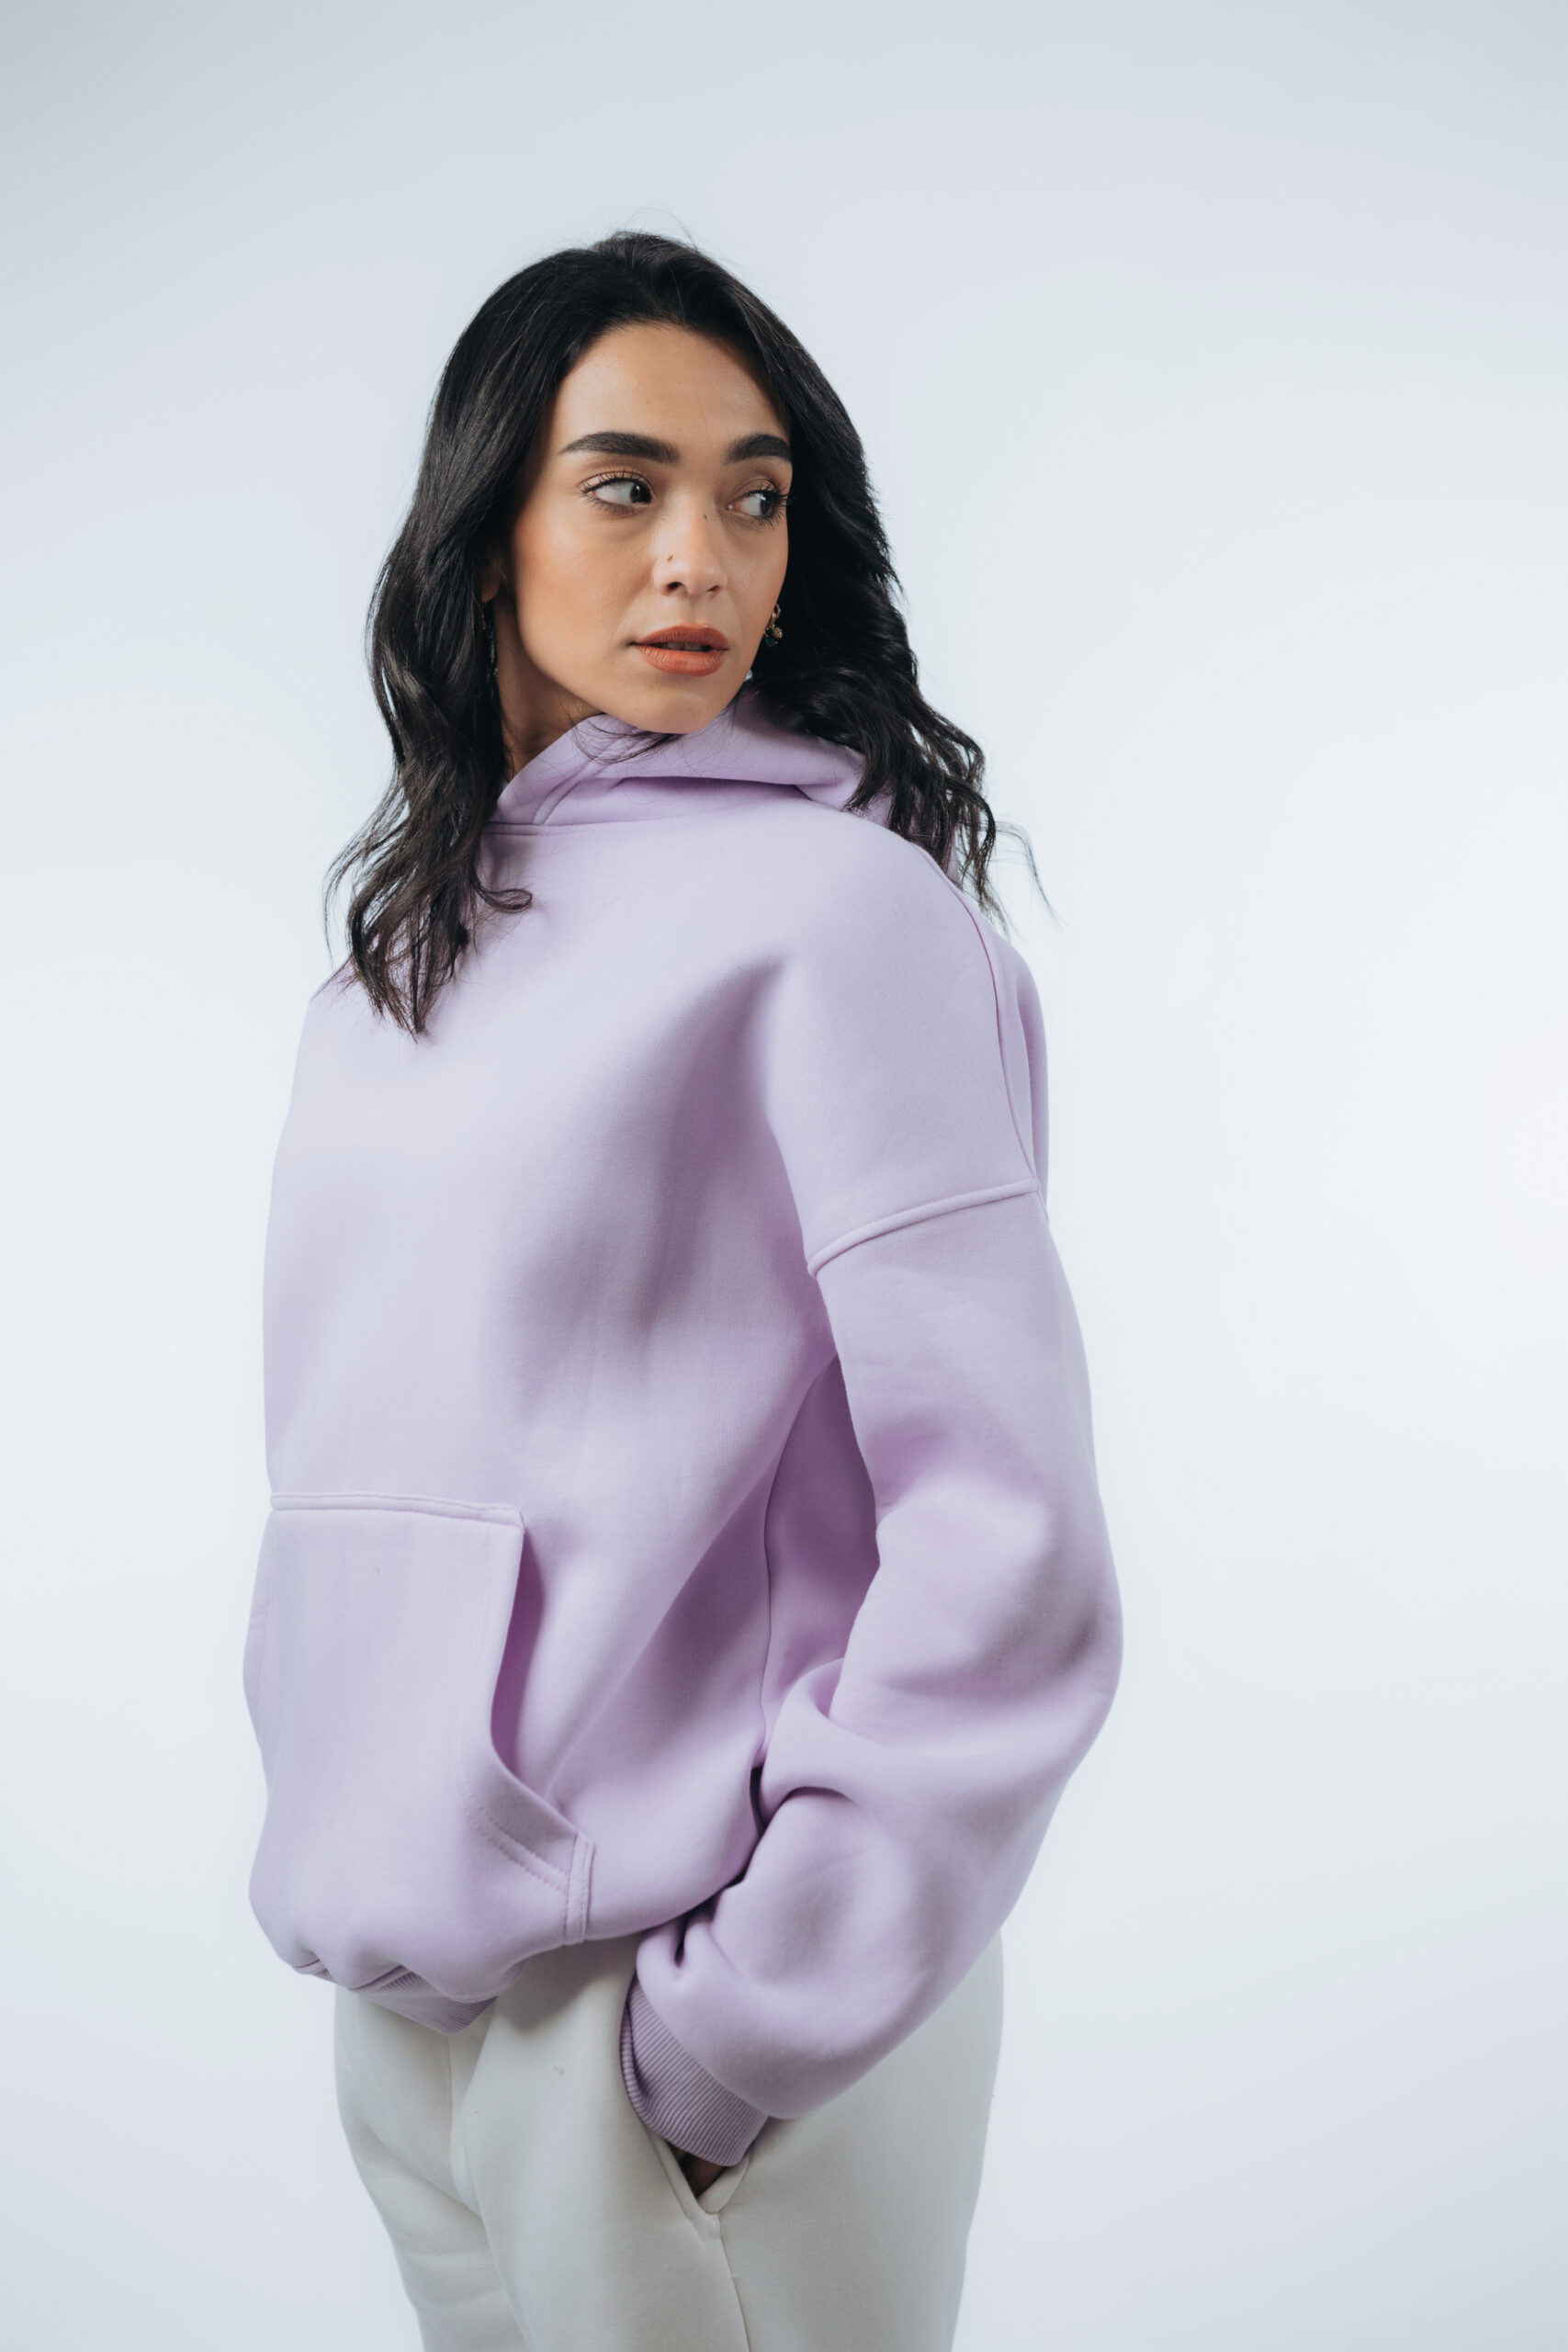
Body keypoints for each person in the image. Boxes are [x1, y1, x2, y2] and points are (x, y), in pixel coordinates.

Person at [243, 230, 1122, 2352]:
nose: (696, 558)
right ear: (485, 532)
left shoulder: (840, 918)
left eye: (752, 495)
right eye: (624, 484)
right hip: (414, 2008)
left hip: (695, 2021)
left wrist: (737, 2031)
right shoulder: (394, 964)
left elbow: (1003, 1534)